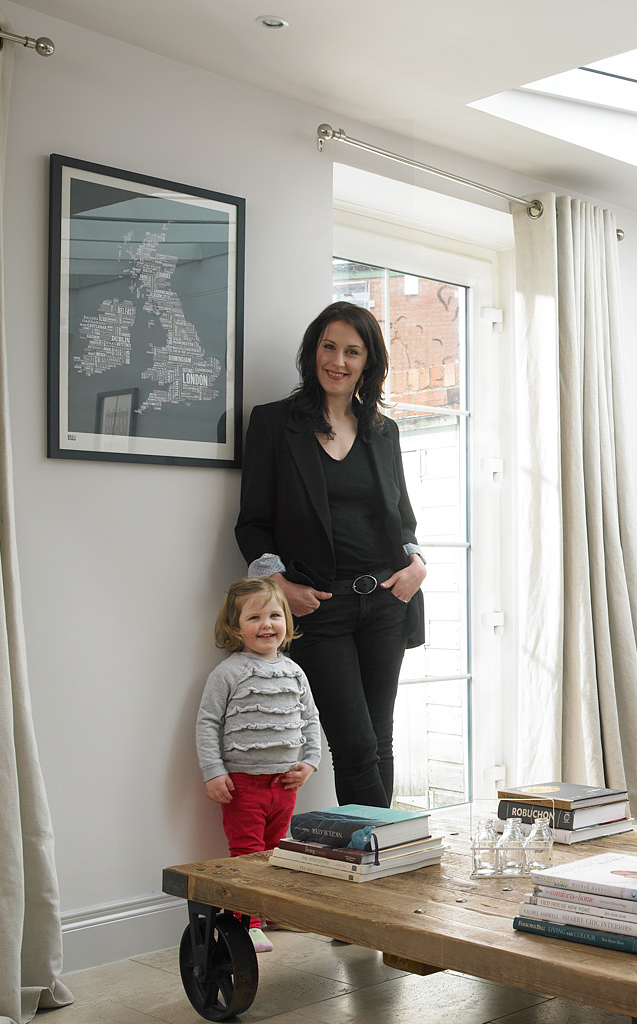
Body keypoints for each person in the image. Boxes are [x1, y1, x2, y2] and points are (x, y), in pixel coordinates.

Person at [235, 300, 427, 810]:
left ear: (368, 363)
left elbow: (402, 520)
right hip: (319, 609)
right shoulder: (275, 425)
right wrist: (280, 586)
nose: (338, 361)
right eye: (329, 346)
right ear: (312, 351)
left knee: (380, 739)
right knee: (355, 744)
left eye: (352, 351)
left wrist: (418, 565)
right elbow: (252, 524)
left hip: (386, 600)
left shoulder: (383, 432)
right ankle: (377, 852)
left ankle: (378, 857)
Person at [197, 576, 321, 954]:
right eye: (254, 618)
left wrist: (309, 763)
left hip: (285, 784)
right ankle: (245, 924)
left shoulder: (294, 671)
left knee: (277, 851)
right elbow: (207, 722)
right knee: (247, 856)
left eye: (274, 615)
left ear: (286, 620)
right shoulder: (229, 673)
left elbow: (311, 718)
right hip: (243, 785)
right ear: (235, 628)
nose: (266, 624)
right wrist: (213, 771)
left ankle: (271, 913)